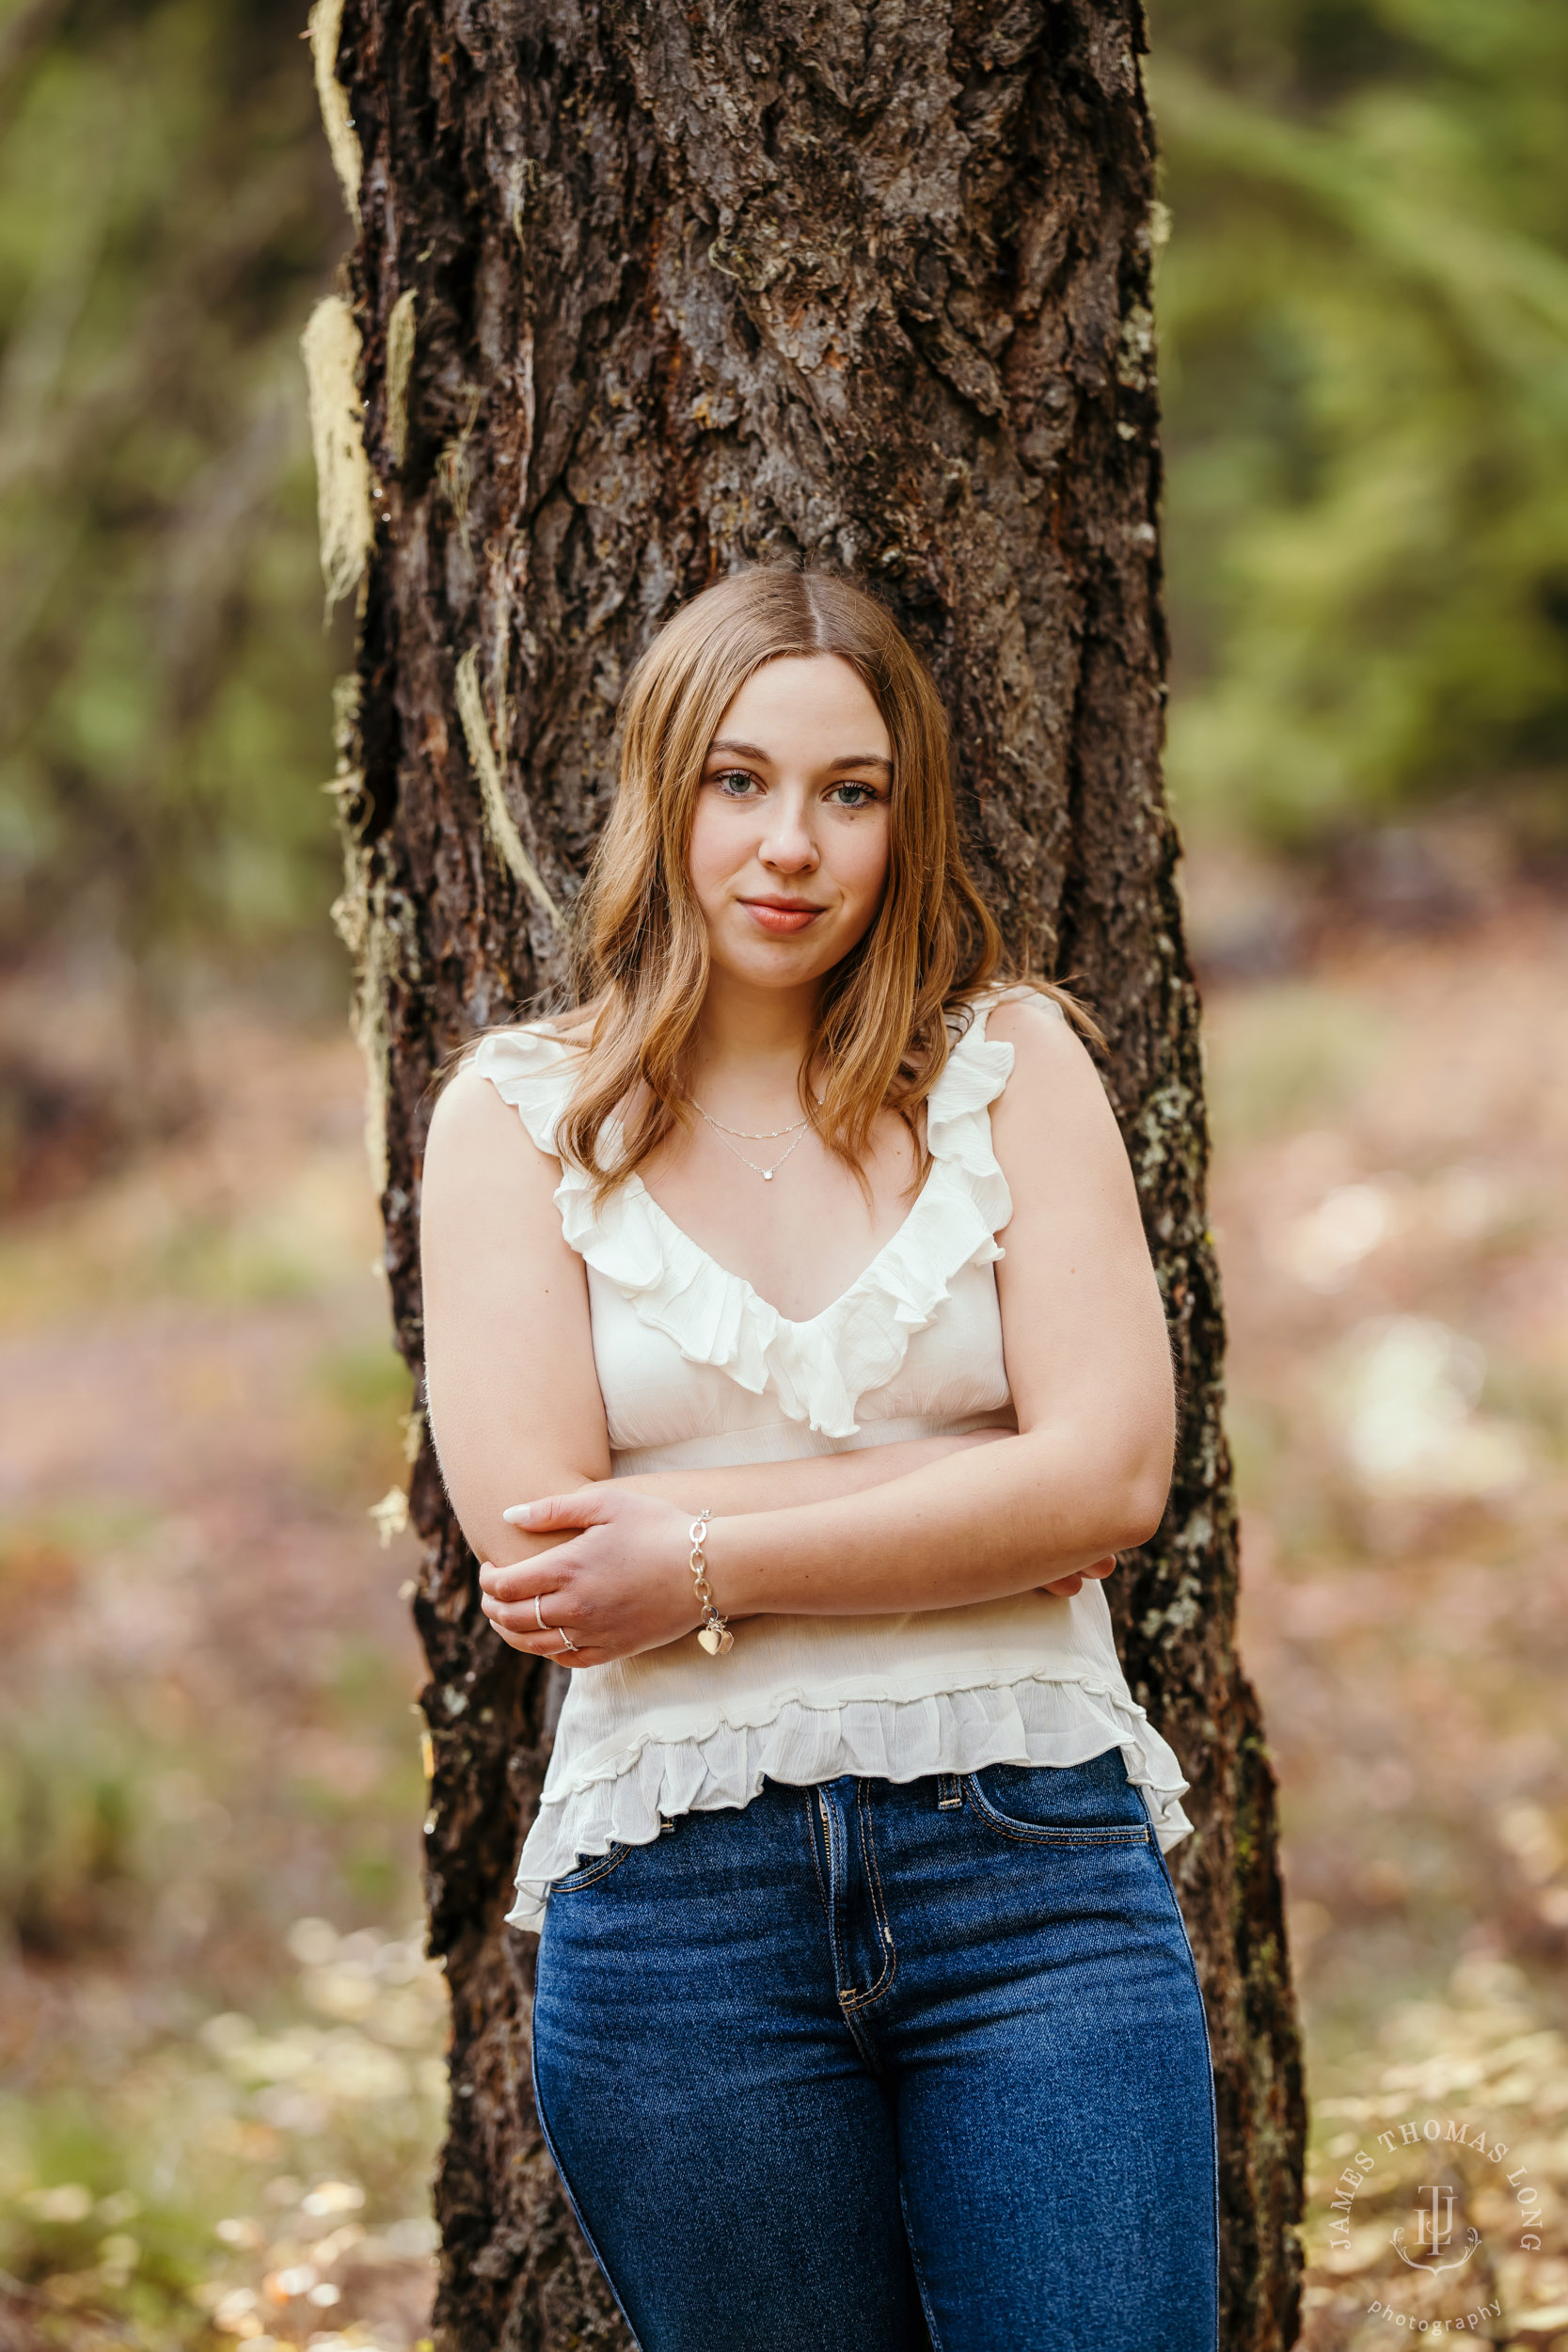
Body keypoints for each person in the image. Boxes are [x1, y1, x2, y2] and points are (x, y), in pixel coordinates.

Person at [419, 564, 1219, 2352]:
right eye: (739, 780)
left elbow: (1106, 1485)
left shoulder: (1011, 1069)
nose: (793, 844)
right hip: (679, 1925)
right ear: (662, 794)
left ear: (902, 819)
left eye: (850, 792)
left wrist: (698, 1551)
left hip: (1034, 1879)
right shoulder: (515, 1123)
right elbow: (555, 1565)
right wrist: (975, 1490)